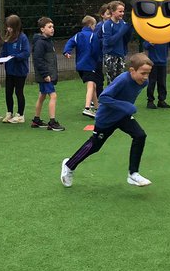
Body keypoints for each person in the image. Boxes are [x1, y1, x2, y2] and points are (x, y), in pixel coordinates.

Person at [61, 52, 153, 188]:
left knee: (140, 135)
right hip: (106, 119)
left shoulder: (143, 82)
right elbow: (104, 97)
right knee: (95, 146)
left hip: (122, 116)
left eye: (148, 73)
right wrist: (126, 106)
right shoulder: (123, 80)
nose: (146, 77)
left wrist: (125, 109)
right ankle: (69, 165)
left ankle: (133, 174)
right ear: (132, 70)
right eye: (143, 73)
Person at [64, 14, 101, 118]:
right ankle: (87, 108)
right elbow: (96, 50)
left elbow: (70, 43)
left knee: (93, 86)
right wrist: (97, 59)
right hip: (89, 65)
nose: (95, 27)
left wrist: (67, 51)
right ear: (90, 25)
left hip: (80, 66)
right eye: (94, 25)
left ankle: (98, 108)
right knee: (90, 86)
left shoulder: (78, 35)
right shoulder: (93, 36)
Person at [30, 17, 64, 131]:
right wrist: (45, 75)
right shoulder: (40, 43)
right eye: (49, 27)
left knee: (42, 96)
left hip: (47, 74)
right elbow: (38, 60)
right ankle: (52, 122)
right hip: (45, 75)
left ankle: (36, 120)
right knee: (53, 96)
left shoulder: (48, 41)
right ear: (42, 29)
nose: (52, 29)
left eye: (52, 27)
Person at [141, 37, 170, 109]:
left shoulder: (166, 35)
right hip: (152, 63)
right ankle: (150, 101)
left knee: (162, 82)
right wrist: (150, 43)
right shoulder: (151, 34)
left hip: (163, 63)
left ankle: (161, 101)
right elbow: (145, 45)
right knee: (152, 82)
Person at [0, 14, 30, 124]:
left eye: (10, 26)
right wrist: (0, 59)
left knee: (19, 92)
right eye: (7, 26)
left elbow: (26, 53)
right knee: (8, 92)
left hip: (20, 71)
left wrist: (15, 57)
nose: (8, 28)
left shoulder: (23, 38)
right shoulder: (8, 38)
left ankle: (20, 114)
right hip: (10, 70)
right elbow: (4, 52)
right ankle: (9, 113)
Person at [97, 0, 131, 86]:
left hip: (121, 55)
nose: (122, 13)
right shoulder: (107, 24)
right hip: (110, 55)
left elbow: (126, 40)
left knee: (121, 80)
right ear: (112, 12)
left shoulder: (122, 23)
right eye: (120, 11)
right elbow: (108, 42)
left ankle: (119, 98)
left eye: (123, 11)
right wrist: (122, 30)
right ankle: (109, 98)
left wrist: (129, 30)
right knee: (112, 81)